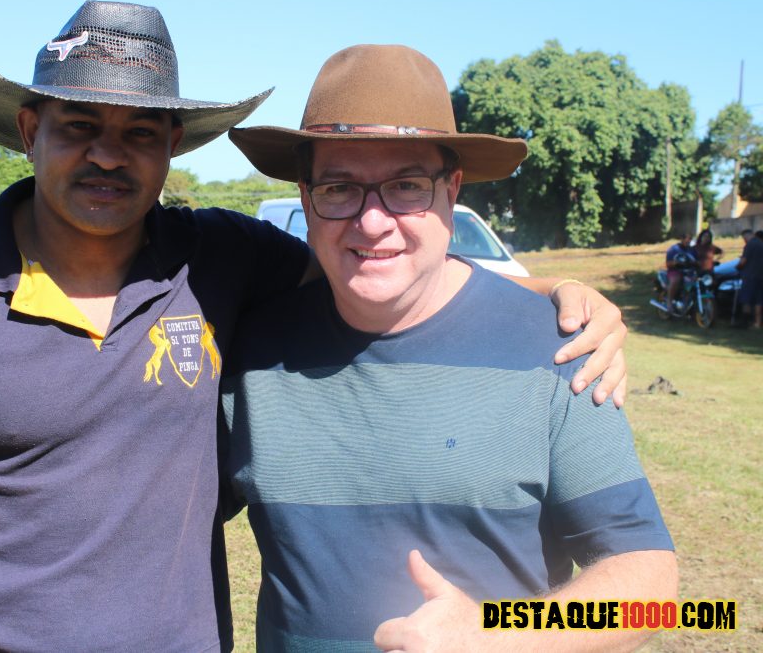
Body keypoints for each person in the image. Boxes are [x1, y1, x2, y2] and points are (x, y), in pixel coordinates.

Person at [0, 3, 629, 653]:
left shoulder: (222, 260)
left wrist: (553, 294)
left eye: (139, 132)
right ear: (29, 130)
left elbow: (662, 595)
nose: (109, 155)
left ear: (172, 146)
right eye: (80, 126)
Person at [222, 44, 676, 652]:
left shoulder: (557, 351)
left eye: (407, 186)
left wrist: (495, 636)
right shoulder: (251, 353)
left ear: (451, 191)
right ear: (306, 198)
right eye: (338, 188)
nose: (372, 221)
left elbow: (653, 586)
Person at [736, 228, 763, 329]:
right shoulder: (761, 244)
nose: (744, 240)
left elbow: (743, 261)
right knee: (759, 300)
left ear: (747, 235)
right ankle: (757, 323)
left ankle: (745, 322)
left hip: (750, 276)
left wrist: (738, 267)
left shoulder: (750, 245)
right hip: (761, 276)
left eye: (744, 238)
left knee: (746, 299)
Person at [665, 232, 697, 312]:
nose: (689, 241)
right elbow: (668, 263)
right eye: (688, 238)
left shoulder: (692, 250)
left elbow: (696, 260)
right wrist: (677, 262)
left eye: (690, 239)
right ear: (682, 239)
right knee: (675, 280)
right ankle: (669, 301)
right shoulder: (674, 249)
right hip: (675, 271)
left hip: (689, 272)